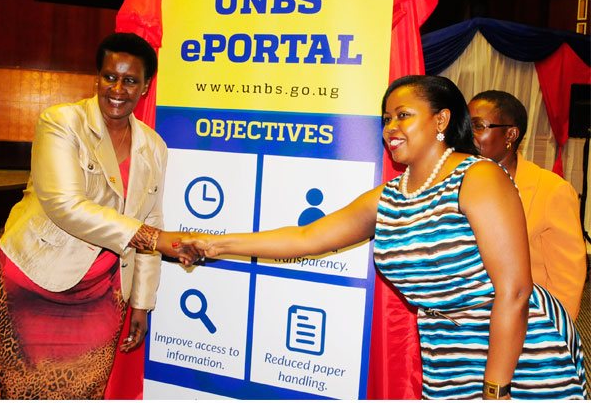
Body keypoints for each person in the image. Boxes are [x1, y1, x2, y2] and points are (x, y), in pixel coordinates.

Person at [184, 75, 586, 399]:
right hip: (445, 348)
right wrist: (214, 244)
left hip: (520, 351)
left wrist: (496, 392)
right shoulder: (392, 195)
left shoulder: (479, 177)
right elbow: (305, 238)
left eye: (403, 115)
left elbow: (514, 291)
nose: (391, 127)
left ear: (442, 121)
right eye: (386, 118)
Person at [0, 32, 198, 399]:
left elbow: (154, 218)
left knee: (83, 392)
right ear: (97, 77)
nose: (117, 88)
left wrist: (141, 302)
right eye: (109, 76)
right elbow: (66, 207)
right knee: (15, 391)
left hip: (101, 297)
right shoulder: (60, 123)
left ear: (145, 86)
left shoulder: (154, 147)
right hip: (31, 282)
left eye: (130, 80)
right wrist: (152, 238)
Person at [468, 90, 586, 320]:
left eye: (478, 126)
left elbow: (567, 283)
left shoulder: (551, 190)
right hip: (464, 323)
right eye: (465, 126)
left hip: (527, 323)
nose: (467, 135)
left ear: (510, 134)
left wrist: (552, 337)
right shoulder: (459, 184)